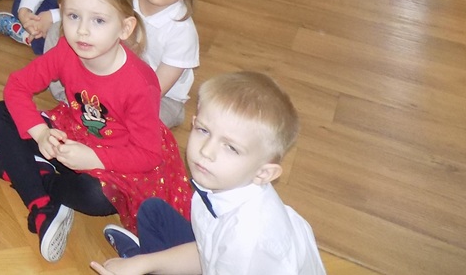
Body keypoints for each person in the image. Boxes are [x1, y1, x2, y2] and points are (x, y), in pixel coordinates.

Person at [0, 0, 193, 262]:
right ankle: (40, 204)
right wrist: (40, 133)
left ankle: (28, 172)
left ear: (125, 28)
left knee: (96, 198)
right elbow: (17, 86)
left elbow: (148, 155)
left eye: (99, 20)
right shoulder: (67, 49)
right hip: (73, 132)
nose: (82, 30)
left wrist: (93, 158)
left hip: (120, 157)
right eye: (73, 16)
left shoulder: (140, 84)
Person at [93, 72, 325, 275]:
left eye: (231, 147)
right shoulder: (220, 184)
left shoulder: (247, 241)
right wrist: (142, 264)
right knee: (152, 211)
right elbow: (206, 251)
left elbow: (221, 253)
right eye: (203, 130)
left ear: (263, 173)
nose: (206, 151)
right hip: (218, 259)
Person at [126, 0, 199, 129]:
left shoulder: (181, 32)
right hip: (122, 77)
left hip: (163, 97)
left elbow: (156, 89)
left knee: (141, 125)